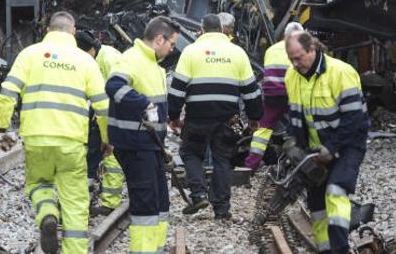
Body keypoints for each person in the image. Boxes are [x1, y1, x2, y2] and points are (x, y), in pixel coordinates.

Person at [0, 12, 108, 254]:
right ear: (74, 32)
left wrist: (1, 125)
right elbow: (103, 106)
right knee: (75, 201)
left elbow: (8, 91)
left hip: (37, 139)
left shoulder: (29, 54)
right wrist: (108, 140)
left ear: (47, 31)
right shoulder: (86, 61)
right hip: (72, 142)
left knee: (38, 183)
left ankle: (47, 213)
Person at [167, 13, 263, 218]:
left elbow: (177, 89)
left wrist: (173, 116)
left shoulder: (190, 52)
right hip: (230, 119)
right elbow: (251, 90)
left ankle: (199, 194)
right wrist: (255, 117)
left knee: (190, 153)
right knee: (224, 158)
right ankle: (221, 209)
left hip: (196, 117)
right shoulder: (237, 52)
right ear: (222, 30)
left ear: (201, 30)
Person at [285, 31, 369, 254]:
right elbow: (295, 116)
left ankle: (340, 249)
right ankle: (325, 249)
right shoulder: (291, 76)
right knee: (317, 206)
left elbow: (355, 119)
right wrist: (294, 143)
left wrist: (332, 148)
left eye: (299, 57)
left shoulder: (340, 73)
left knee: (335, 191)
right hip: (315, 149)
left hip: (348, 145)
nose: (295, 64)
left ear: (312, 50)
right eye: (291, 59)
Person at [105, 16, 178, 254]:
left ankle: (156, 249)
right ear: (159, 39)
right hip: (135, 145)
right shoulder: (131, 59)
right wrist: (144, 104)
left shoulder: (152, 65)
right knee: (146, 204)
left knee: (160, 202)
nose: (172, 49)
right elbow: (114, 86)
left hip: (150, 145)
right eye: (171, 43)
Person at [75, 31, 125, 216]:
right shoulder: (99, 58)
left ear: (90, 49)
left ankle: (110, 202)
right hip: (105, 110)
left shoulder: (108, 59)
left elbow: (117, 91)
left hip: (115, 112)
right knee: (96, 153)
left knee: (111, 155)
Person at [244, 21, 305, 170]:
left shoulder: (271, 49)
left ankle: (250, 165)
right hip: (292, 95)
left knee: (263, 129)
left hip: (271, 95)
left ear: (285, 34)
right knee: (300, 126)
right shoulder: (301, 49)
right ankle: (298, 161)